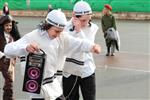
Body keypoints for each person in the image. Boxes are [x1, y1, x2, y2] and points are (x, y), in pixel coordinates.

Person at [4, 9, 101, 100]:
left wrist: (92, 46)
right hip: (38, 89)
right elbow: (7, 50)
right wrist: (25, 47)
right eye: (56, 31)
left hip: (54, 86)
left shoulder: (61, 37)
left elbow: (77, 43)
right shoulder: (33, 36)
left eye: (61, 31)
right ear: (47, 25)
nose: (58, 35)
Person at [62, 1, 99, 100]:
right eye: (83, 20)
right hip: (70, 71)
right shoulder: (64, 28)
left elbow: (87, 47)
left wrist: (79, 31)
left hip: (87, 70)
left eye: (88, 19)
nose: (86, 23)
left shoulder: (93, 28)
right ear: (74, 15)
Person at [0, 15, 21, 100]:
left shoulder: (14, 36)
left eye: (10, 25)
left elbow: (19, 47)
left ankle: (8, 98)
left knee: (10, 81)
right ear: (2, 26)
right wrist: (2, 55)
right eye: (6, 25)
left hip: (10, 61)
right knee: (9, 80)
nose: (9, 27)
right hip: (2, 59)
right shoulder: (0, 35)